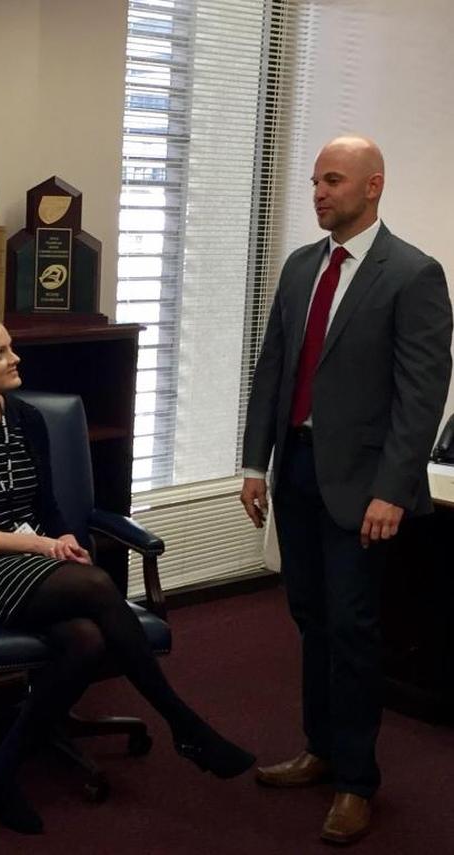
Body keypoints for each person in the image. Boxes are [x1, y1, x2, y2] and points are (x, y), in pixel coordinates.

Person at [0, 312, 255, 835]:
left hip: (35, 557)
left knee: (86, 640)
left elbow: (48, 504)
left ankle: (1, 769)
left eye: (11, 348)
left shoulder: (25, 417)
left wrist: (62, 537)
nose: (15, 358)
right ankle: (183, 724)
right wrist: (38, 544)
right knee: (96, 585)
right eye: (0, 353)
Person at [241, 135, 453, 845]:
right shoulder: (303, 266)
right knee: (310, 618)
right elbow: (273, 368)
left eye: (332, 180)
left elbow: (421, 395)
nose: (318, 192)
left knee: (356, 629)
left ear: (373, 187)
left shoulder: (413, 274)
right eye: (314, 181)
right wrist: (252, 464)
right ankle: (321, 748)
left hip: (365, 487)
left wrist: (395, 488)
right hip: (295, 471)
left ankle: (357, 781)